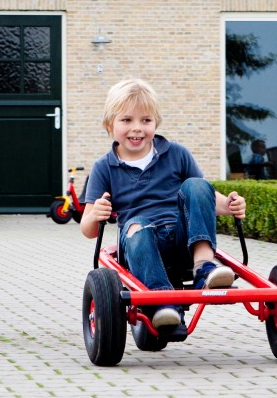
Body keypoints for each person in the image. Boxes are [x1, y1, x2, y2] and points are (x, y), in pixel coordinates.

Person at [80, 79, 247, 333]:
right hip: (140, 245)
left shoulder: (176, 154)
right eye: (127, 120)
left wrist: (231, 205)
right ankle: (162, 300)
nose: (137, 129)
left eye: (145, 121)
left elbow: (204, 198)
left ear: (155, 123)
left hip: (183, 241)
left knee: (196, 185)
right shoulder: (104, 167)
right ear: (109, 124)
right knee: (137, 227)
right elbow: (88, 228)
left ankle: (204, 267)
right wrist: (96, 214)